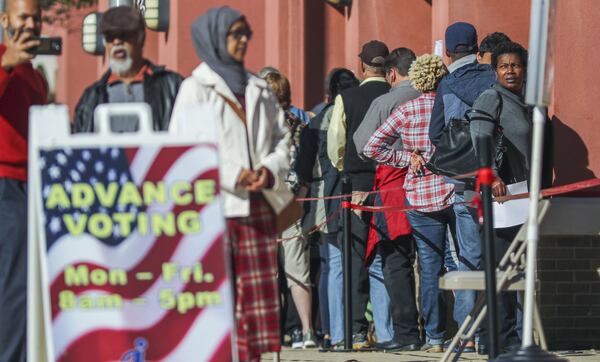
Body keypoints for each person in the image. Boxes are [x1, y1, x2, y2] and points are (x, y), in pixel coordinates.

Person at [169, 6, 293, 362]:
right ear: (215, 38)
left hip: (257, 205)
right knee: (215, 298)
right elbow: (184, 147)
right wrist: (232, 173)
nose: (243, 41)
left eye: (246, 34)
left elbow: (281, 140)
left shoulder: (258, 87)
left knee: (254, 303)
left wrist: (268, 169)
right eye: (235, 34)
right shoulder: (195, 89)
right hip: (214, 207)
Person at [364, 54, 456, 353]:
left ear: (417, 78)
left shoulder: (407, 110)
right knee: (462, 262)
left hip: (418, 196)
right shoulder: (452, 106)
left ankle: (434, 337)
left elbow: (370, 146)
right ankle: (472, 331)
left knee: (429, 268)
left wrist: (406, 158)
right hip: (453, 191)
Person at [470, 41, 553, 353]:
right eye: (504, 66)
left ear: (525, 69)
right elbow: (479, 135)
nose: (510, 71)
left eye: (515, 65)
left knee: (517, 271)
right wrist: (490, 173)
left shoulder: (526, 104)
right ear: (495, 71)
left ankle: (517, 339)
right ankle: (500, 341)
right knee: (502, 270)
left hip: (522, 199)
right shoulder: (492, 98)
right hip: (499, 201)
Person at [427, 23, 492, 349]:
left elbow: (434, 134)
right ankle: (497, 330)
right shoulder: (493, 77)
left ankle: (470, 332)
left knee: (468, 258)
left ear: (449, 52)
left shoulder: (446, 85)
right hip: (500, 183)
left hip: (463, 184)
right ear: (477, 47)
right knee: (501, 257)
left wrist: (456, 157)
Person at [352, 47, 422, 351]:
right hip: (438, 186)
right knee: (436, 261)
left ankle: (407, 333)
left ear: (392, 74)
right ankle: (440, 332)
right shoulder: (434, 97)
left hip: (394, 190)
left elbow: (362, 144)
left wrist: (399, 156)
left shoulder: (388, 101)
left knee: (396, 262)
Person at [327, 39, 391, 349]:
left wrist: (345, 168)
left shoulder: (347, 97)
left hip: (356, 185)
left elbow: (337, 143)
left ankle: (354, 330)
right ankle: (390, 331)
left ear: (361, 65)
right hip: (392, 182)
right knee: (391, 257)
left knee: (355, 259)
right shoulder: (395, 94)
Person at [296, 68, 359, 349]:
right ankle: (347, 329)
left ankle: (332, 331)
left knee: (330, 263)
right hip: (357, 192)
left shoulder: (318, 119)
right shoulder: (357, 111)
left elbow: (304, 168)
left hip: (324, 196)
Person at [0, 0, 47, 360]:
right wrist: (5, 64)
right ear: (5, 20)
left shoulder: (35, 73)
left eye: (36, 17)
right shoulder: (6, 62)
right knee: (15, 287)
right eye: (22, 17)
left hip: (32, 186)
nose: (30, 24)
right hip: (5, 184)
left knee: (28, 284)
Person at [262, 71, 317, 349]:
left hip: (262, 203)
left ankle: (271, 332)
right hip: (291, 203)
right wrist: (302, 195)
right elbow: (305, 167)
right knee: (298, 272)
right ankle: (307, 331)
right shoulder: (299, 124)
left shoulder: (258, 127)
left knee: (267, 274)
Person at [73, 6, 182, 133]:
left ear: (141, 38)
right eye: (110, 37)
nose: (117, 42)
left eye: (124, 35)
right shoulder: (90, 98)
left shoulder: (172, 87)